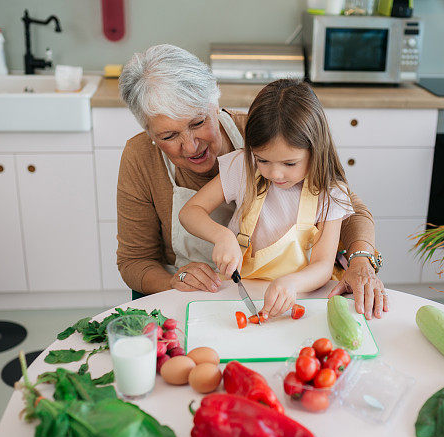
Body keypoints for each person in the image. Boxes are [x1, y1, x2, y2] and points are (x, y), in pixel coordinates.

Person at [117, 44, 389, 318]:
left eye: (198, 122)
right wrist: (173, 282)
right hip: (195, 297)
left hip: (284, 296)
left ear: (215, 104)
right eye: (168, 136)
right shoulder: (143, 157)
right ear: (149, 132)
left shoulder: (265, 133)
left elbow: (350, 210)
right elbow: (134, 261)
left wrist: (360, 259)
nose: (190, 146)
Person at [179, 79, 354, 318]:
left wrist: (291, 283)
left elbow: (323, 267)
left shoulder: (330, 192)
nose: (274, 174)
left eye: (289, 163)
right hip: (237, 294)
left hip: (300, 297)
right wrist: (222, 235)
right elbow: (190, 212)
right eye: (263, 160)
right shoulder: (243, 166)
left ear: (316, 150)